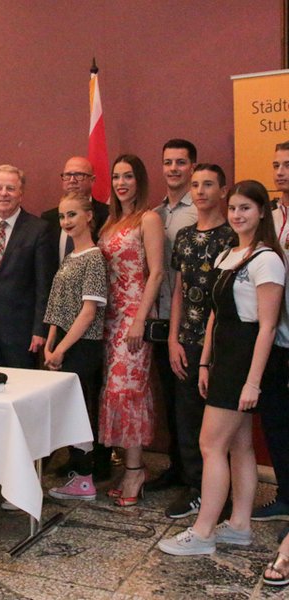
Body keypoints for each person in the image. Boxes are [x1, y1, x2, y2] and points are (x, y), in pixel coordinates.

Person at [159, 180, 285, 556]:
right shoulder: (227, 254)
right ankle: (240, 526)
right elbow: (215, 315)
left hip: (244, 359)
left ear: (261, 212)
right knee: (239, 445)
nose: (237, 215)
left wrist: (252, 382)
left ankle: (203, 532)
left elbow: (267, 327)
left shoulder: (267, 260)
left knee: (210, 444)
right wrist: (204, 362)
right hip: (221, 357)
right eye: (233, 208)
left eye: (246, 208)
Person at [165, 165, 236, 519]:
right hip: (186, 340)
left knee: (219, 425)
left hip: (221, 341)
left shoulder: (231, 237)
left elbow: (226, 298)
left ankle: (222, 495)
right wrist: (173, 339)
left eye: (208, 184)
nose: (201, 191)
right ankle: (197, 488)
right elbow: (178, 291)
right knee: (188, 417)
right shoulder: (184, 236)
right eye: (195, 185)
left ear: (223, 190)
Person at [98, 154, 164, 506]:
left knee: (129, 392)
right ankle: (129, 466)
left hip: (133, 317)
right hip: (109, 318)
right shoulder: (111, 222)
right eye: (116, 177)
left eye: (128, 176)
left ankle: (136, 471)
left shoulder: (148, 219)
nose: (121, 183)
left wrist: (140, 318)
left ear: (140, 180)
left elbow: (157, 272)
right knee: (114, 392)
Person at [41, 192, 107, 500]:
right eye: (62, 216)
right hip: (64, 343)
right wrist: (50, 343)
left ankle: (84, 479)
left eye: (72, 215)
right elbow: (57, 306)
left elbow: (88, 312)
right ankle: (78, 475)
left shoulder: (94, 257)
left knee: (76, 411)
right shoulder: (70, 257)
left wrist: (62, 349)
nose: (66, 221)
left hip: (83, 345)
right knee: (66, 411)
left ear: (89, 216)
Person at [148, 139, 198, 492]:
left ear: (192, 166)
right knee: (169, 400)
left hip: (190, 323)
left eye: (181, 162)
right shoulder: (156, 213)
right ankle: (177, 469)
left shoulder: (201, 210)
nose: (174, 169)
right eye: (168, 162)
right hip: (161, 317)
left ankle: (197, 480)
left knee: (191, 404)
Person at [0, 164, 56, 368]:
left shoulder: (38, 229)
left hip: (22, 333)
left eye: (10, 188)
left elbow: (44, 285)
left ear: (21, 193)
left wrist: (39, 329)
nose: (3, 193)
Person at [252, 140, 289, 524]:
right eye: (276, 165)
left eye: (287, 165)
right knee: (276, 420)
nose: (280, 172)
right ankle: (284, 494)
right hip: (274, 337)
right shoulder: (270, 218)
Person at [41, 156, 109, 263]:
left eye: (79, 175)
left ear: (92, 180)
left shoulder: (108, 215)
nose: (72, 180)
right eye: (68, 175)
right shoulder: (48, 219)